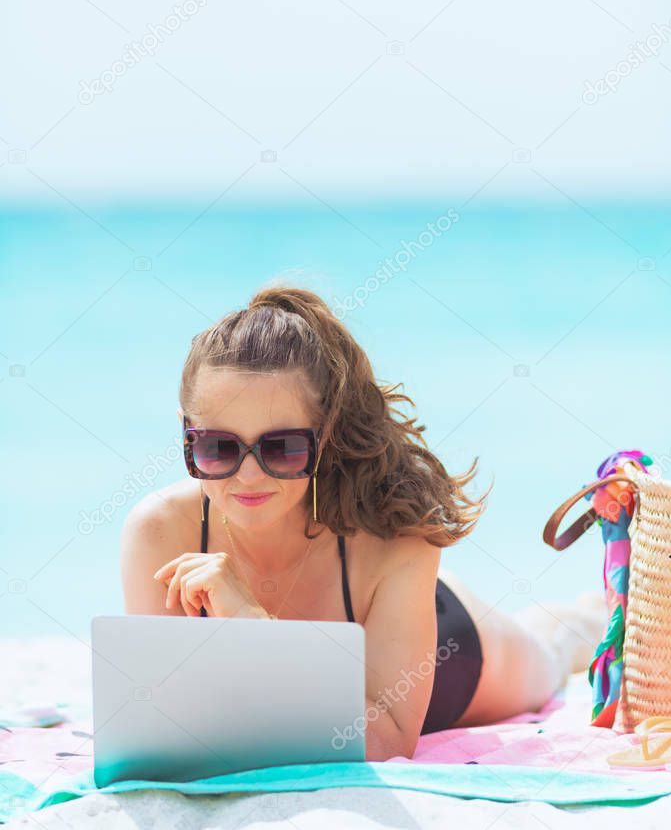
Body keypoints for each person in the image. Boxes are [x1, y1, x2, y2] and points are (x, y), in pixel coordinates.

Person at [121, 286, 607, 762]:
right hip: (343, 677)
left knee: (552, 653)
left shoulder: (397, 538)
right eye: (219, 447)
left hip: (443, 643)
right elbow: (162, 725)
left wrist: (252, 624)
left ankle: (594, 614)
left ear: (325, 432)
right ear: (187, 432)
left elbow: (389, 741)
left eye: (281, 447)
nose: (249, 474)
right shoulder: (159, 530)